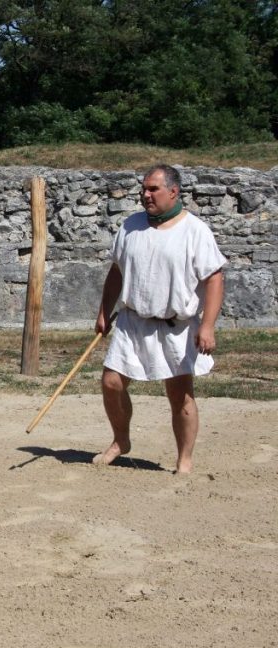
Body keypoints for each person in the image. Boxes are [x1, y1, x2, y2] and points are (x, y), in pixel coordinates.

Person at [94, 164, 226, 473]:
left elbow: (215, 278)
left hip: (175, 327)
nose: (145, 194)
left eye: (153, 189)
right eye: (144, 189)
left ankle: (184, 460)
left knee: (179, 395)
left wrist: (207, 326)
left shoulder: (194, 231)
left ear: (173, 191)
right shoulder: (130, 226)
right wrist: (103, 311)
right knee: (111, 383)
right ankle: (121, 441)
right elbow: (117, 271)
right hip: (133, 321)